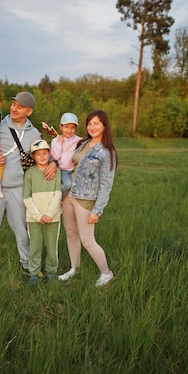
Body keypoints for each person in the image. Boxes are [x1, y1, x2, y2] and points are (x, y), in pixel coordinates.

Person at [0, 91, 57, 278]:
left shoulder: (34, 133)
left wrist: (52, 162)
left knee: (22, 230)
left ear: (29, 111)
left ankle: (27, 264)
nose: (14, 108)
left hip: (17, 188)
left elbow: (41, 157)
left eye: (19, 106)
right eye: (13, 105)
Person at [58, 110, 117, 287]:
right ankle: (74, 268)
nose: (92, 127)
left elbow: (106, 184)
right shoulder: (83, 143)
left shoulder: (107, 152)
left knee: (87, 240)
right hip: (69, 196)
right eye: (89, 123)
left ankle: (106, 273)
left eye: (96, 123)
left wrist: (97, 211)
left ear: (104, 125)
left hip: (86, 200)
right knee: (71, 233)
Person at [23, 139, 62, 285]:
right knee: (35, 246)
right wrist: (38, 216)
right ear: (33, 156)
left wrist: (49, 214)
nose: (42, 157)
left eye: (45, 153)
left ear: (49, 154)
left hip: (53, 217)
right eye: (38, 154)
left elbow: (58, 194)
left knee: (52, 247)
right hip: (34, 218)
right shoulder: (29, 173)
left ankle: (51, 271)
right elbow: (26, 197)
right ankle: (34, 272)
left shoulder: (55, 171)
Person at [50, 113, 81, 199]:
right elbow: (55, 156)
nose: (69, 130)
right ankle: (59, 199)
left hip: (74, 169)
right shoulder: (55, 141)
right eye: (66, 127)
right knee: (67, 184)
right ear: (61, 127)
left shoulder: (79, 140)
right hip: (62, 169)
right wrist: (59, 143)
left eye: (72, 127)